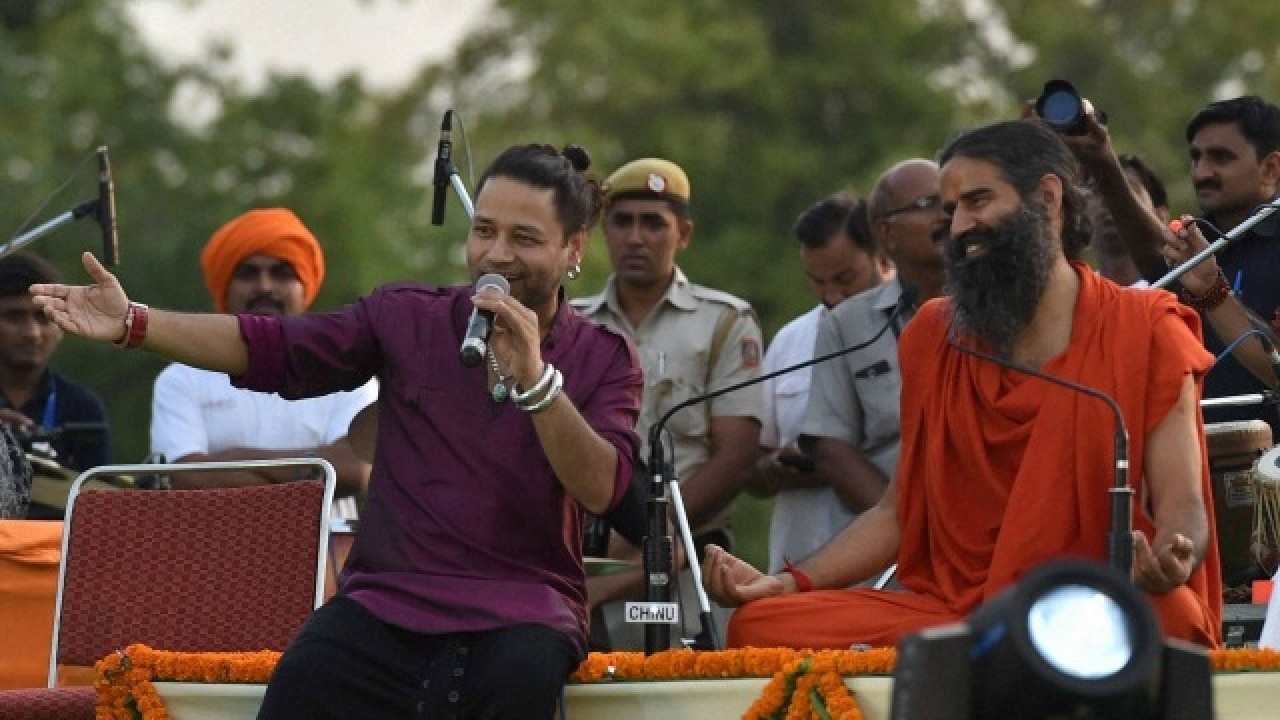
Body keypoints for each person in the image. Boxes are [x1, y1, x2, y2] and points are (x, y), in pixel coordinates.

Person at [30, 143, 643, 719]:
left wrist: (536, 382)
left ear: (573, 248)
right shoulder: (408, 318)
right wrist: (135, 323)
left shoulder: (605, 360)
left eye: (525, 238)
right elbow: (270, 345)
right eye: (484, 231)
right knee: (305, 680)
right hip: (387, 600)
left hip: (524, 609)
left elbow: (603, 489)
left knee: (520, 681)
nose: (496, 255)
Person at [705, 119, 1222, 650]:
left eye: (978, 202)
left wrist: (1172, 554)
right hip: (955, 608)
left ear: (1047, 198)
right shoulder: (936, 335)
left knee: (1170, 614)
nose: (958, 229)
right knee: (761, 623)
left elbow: (1183, 502)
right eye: (951, 212)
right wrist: (787, 583)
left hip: (1088, 598)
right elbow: (897, 512)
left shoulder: (1147, 328)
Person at [572, 157, 763, 649]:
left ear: (684, 234)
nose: (636, 237)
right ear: (602, 231)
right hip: (586, 557)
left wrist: (647, 530)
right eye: (622, 221)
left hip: (691, 557)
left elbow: (737, 456)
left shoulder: (723, 321)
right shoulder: (573, 324)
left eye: (653, 222)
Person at [777, 162, 947, 581]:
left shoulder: (999, 310)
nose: (946, 215)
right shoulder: (847, 324)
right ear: (884, 233)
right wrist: (916, 532)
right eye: (928, 204)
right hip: (888, 560)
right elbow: (832, 448)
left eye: (953, 203)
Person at [149, 208, 376, 519]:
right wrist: (312, 468)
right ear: (224, 288)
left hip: (324, 558)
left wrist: (233, 459)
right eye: (248, 273)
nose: (265, 287)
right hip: (214, 554)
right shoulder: (182, 379)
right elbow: (185, 478)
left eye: (282, 273)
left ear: (304, 288)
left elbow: (352, 471)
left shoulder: (348, 370)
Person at [747, 192, 893, 575]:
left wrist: (838, 461)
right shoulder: (792, 339)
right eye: (817, 281)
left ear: (883, 256)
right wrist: (776, 468)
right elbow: (754, 468)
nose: (832, 296)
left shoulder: (916, 330)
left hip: (892, 571)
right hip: (799, 566)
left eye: (845, 279)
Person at [1183, 96, 1280, 432]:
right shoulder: (1186, 245)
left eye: (1221, 158)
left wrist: (1214, 291)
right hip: (1191, 466)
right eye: (1196, 157)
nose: (1202, 172)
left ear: (1271, 168)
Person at [0, 253, 110, 519]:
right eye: (15, 317)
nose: (32, 333)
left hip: (55, 557)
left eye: (43, 317)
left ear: (61, 325)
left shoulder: (83, 409)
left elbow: (100, 513)